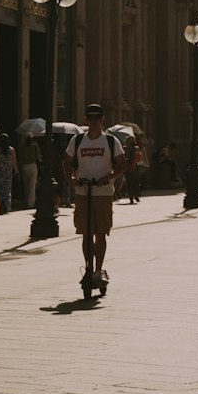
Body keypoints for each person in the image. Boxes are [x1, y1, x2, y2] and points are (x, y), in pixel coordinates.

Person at [64, 102, 126, 287]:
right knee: (85, 232)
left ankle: (98, 270)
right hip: (83, 192)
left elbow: (121, 165)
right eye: (89, 118)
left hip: (103, 193)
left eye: (96, 118)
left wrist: (109, 177)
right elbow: (67, 162)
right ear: (85, 119)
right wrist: (70, 179)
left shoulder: (110, 141)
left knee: (100, 233)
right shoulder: (77, 140)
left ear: (102, 120)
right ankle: (88, 268)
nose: (93, 122)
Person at [17, 131, 41, 210]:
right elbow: (38, 157)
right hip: (32, 165)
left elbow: (20, 158)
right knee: (32, 185)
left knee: (26, 185)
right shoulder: (35, 146)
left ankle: (27, 200)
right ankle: (31, 203)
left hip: (24, 166)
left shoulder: (22, 147)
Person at [0, 132, 16, 214]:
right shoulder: (11, 150)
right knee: (7, 190)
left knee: (0, 189)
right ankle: (7, 207)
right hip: (8, 172)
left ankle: (0, 207)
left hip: (0, 171)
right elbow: (14, 162)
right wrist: (16, 171)